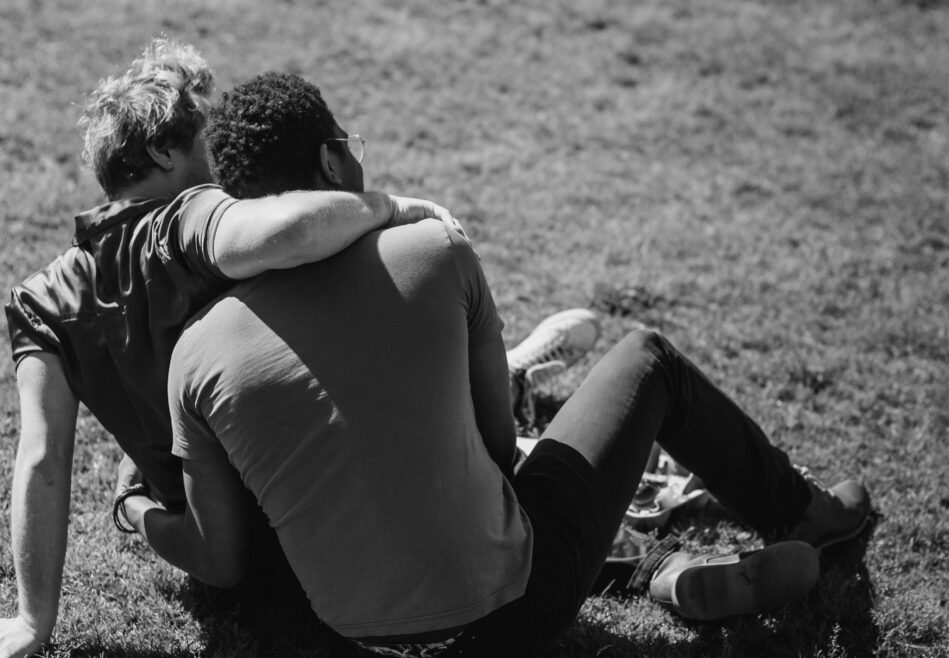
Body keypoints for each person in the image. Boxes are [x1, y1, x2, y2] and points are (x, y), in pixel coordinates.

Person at [117, 72, 871, 657]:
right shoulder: (428, 248)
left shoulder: (199, 348)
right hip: (521, 610)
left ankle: (656, 568)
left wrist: (133, 508)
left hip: (360, 639)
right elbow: (498, 449)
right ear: (330, 157)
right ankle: (806, 515)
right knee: (647, 361)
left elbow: (219, 562)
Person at [0, 39, 465, 658]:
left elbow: (39, 459)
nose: (224, 154)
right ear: (164, 151)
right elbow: (284, 233)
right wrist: (392, 206)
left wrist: (34, 622)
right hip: (336, 516)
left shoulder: (41, 299)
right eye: (209, 136)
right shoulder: (185, 216)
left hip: (227, 556)